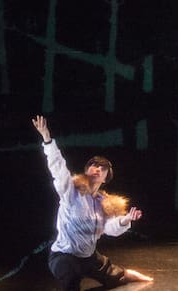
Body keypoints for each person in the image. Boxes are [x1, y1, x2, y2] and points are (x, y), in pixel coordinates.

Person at [31, 115, 153, 290]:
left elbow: (109, 228)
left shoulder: (104, 204)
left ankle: (127, 274)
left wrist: (125, 220)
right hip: (64, 256)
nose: (98, 169)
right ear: (87, 170)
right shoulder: (71, 191)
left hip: (89, 258)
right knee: (70, 279)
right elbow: (58, 168)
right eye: (94, 165)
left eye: (103, 169)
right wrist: (47, 140)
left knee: (117, 277)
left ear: (105, 178)